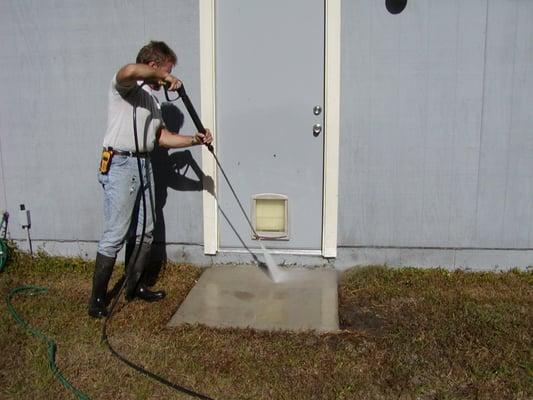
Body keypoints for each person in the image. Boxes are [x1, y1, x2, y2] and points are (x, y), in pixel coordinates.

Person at [88, 41, 213, 318]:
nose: (168, 79)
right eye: (166, 70)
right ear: (154, 67)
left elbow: (161, 138)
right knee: (116, 233)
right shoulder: (125, 88)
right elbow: (130, 70)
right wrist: (165, 77)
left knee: (146, 230)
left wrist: (195, 139)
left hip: (143, 164)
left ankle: (135, 286)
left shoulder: (153, 102)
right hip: (120, 163)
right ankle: (97, 300)